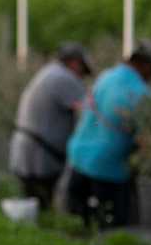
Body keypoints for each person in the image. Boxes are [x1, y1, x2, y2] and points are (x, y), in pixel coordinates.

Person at [65, 42, 151, 229]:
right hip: (108, 169)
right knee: (111, 230)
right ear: (147, 66)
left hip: (78, 159)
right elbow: (146, 138)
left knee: (78, 228)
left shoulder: (105, 77)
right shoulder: (142, 93)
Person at [8, 44, 93, 209]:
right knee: (40, 206)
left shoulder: (49, 72)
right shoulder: (64, 79)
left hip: (29, 151)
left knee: (33, 205)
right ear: (75, 63)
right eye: (82, 70)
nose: (82, 77)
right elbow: (89, 112)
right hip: (40, 157)